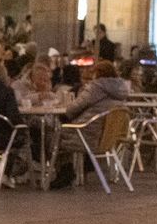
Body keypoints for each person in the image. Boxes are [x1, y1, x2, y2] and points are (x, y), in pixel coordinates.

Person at [49, 60, 131, 189]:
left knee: (57, 132)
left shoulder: (96, 87)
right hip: (107, 138)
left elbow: (76, 106)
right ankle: (81, 167)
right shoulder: (120, 90)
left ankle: (65, 170)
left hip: (88, 134)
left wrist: (65, 116)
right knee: (66, 129)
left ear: (98, 73)